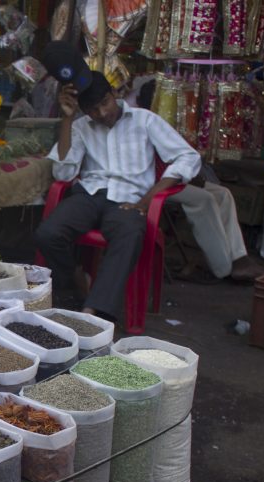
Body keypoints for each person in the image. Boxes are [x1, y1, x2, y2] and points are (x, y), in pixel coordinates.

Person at [36, 71, 202, 320]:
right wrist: (67, 121)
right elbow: (63, 172)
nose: (102, 113)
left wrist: (148, 199)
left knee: (129, 233)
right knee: (48, 233)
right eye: (93, 110)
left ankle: (94, 312)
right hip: (90, 195)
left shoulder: (145, 120)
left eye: (104, 103)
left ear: (114, 94)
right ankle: (77, 280)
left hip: (130, 199)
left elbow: (188, 156)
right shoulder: (81, 126)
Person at [133, 79, 263, 282]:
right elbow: (156, 169)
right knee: (204, 200)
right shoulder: (141, 124)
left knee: (223, 194)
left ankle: (238, 257)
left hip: (171, 178)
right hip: (153, 185)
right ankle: (223, 267)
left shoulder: (168, 122)